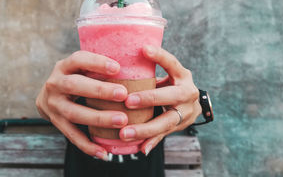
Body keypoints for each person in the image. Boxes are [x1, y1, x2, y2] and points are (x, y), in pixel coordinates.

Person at [36, 45, 202, 177]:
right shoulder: (77, 93)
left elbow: (193, 104)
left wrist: (196, 104)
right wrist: (45, 101)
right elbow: (48, 105)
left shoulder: (155, 94)